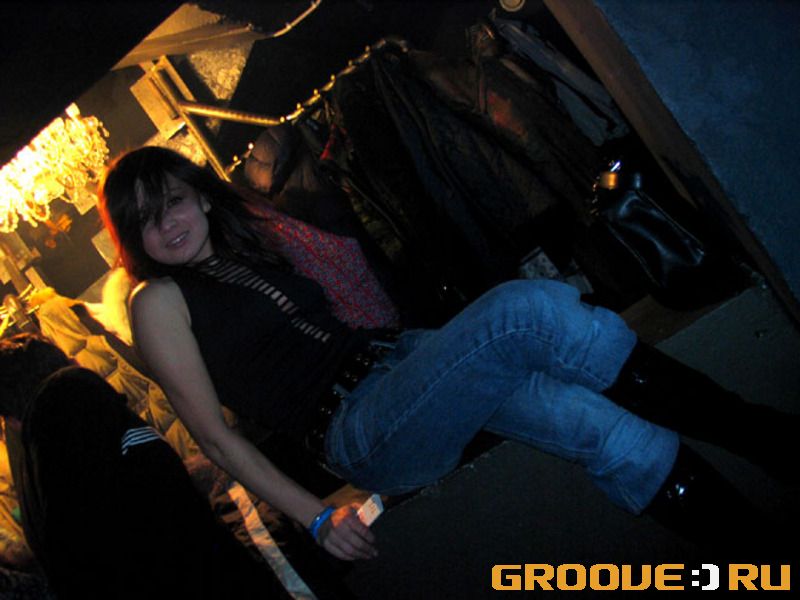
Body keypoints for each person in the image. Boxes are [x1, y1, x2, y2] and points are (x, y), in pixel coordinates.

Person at [98, 145, 794, 561]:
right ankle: (763, 435)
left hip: (399, 365)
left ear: (202, 199)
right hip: (357, 427)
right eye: (146, 220)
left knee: (608, 431)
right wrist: (315, 516)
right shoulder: (155, 300)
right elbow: (215, 439)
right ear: (133, 238)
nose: (167, 224)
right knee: (525, 310)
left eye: (174, 202)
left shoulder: (245, 249)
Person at [0, 333, 290, 598]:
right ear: (73, 363)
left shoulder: (35, 496)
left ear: (12, 422)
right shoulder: (87, 405)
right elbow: (173, 511)